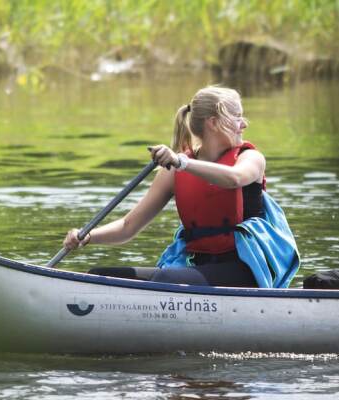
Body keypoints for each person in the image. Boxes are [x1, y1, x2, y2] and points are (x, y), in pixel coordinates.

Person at [63, 86, 266, 287]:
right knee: (99, 276)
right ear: (214, 123)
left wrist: (181, 163)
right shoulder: (174, 170)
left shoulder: (250, 158)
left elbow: (234, 178)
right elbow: (128, 226)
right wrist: (88, 236)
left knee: (166, 279)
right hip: (197, 265)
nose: (244, 124)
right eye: (238, 117)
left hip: (245, 269)